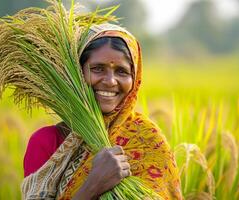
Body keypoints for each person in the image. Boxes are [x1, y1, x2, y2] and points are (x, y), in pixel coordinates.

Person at [22, 23, 183, 200]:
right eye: (97, 68)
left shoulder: (148, 139)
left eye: (121, 71)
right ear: (77, 74)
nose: (110, 81)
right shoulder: (47, 142)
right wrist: (93, 185)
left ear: (134, 79)